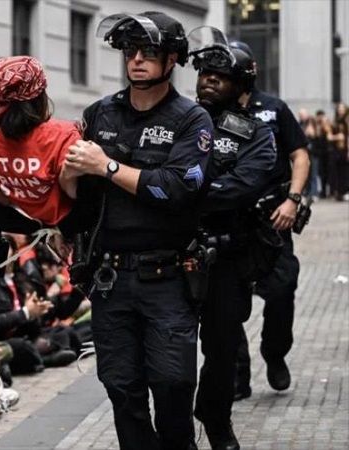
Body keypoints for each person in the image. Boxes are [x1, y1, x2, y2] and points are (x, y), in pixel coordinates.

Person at [63, 12, 212, 449]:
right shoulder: (100, 113)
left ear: (172, 59)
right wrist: (66, 181)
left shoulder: (192, 119)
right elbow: (81, 201)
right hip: (111, 279)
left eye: (148, 52)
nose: (137, 60)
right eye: (131, 51)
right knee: (121, 386)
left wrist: (107, 166)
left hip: (168, 277)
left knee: (172, 383)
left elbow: (177, 188)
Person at [186, 27, 277, 449]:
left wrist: (175, 193)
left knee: (222, 350)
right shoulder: (177, 120)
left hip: (225, 259)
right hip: (172, 253)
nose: (209, 80)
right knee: (169, 354)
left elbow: (241, 187)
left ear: (240, 86)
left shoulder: (254, 133)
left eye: (220, 76)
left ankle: (216, 420)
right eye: (204, 73)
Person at [231, 40, 311, 399]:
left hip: (273, 219)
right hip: (230, 219)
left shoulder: (274, 109)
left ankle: (274, 352)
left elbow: (300, 155)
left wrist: (293, 200)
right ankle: (237, 374)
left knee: (282, 289)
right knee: (226, 301)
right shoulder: (210, 111)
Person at [0, 56, 80, 226]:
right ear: (40, 95)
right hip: (65, 233)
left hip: (11, 234)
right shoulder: (64, 136)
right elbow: (79, 192)